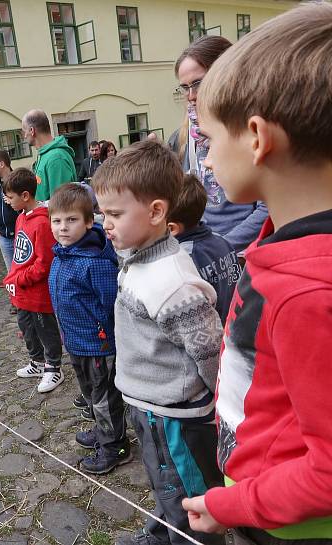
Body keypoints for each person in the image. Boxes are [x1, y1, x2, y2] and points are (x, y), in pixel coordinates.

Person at [180, 5, 332, 543]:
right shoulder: (288, 235)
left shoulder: (306, 292)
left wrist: (234, 504)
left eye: (209, 137)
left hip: (283, 521)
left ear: (256, 138)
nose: (205, 154)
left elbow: (329, 472)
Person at [93, 141, 224, 545]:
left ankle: (186, 536)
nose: (105, 223)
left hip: (175, 417)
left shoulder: (172, 283)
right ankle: (165, 529)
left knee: (186, 493)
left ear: (155, 212)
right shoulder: (136, 257)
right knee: (164, 481)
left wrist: (212, 400)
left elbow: (208, 350)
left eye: (115, 214)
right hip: (149, 406)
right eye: (103, 213)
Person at [48, 184, 129, 474]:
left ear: (87, 221)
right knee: (91, 395)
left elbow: (111, 305)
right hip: (76, 343)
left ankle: (115, 446)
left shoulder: (96, 264)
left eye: (71, 220)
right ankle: (103, 430)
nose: (63, 228)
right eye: (57, 221)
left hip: (98, 345)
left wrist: (106, 336)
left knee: (105, 398)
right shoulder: (61, 255)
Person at [170, 36, 268, 252]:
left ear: (228, 75)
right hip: (202, 246)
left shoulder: (254, 129)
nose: (191, 96)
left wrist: (222, 247)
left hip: (243, 253)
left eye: (198, 83)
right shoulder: (183, 136)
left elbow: (269, 208)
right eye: (185, 88)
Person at [1, 168, 63, 394]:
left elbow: (44, 262)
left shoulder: (42, 223)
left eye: (10, 197)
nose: (7, 201)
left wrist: (21, 278)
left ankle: (54, 366)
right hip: (22, 291)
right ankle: (36, 362)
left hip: (37, 292)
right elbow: (20, 255)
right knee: (27, 327)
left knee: (45, 329)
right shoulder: (20, 218)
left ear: (25, 196)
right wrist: (13, 279)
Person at [167, 175, 240, 325]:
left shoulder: (183, 260)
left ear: (171, 228)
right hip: (232, 326)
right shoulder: (223, 241)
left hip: (209, 333)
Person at [21, 109, 77, 202]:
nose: (24, 136)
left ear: (32, 130)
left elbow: (61, 203)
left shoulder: (56, 158)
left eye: (23, 131)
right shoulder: (44, 154)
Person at [0, 149, 20, 272]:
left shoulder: (18, 182)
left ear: (2, 164)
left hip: (20, 235)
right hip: (3, 237)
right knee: (11, 273)